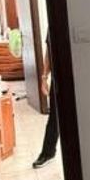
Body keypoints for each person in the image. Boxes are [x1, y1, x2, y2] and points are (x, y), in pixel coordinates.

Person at [33, 31, 59, 168]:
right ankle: (48, 153)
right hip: (57, 79)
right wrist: (44, 77)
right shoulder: (52, 26)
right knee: (55, 117)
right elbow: (48, 52)